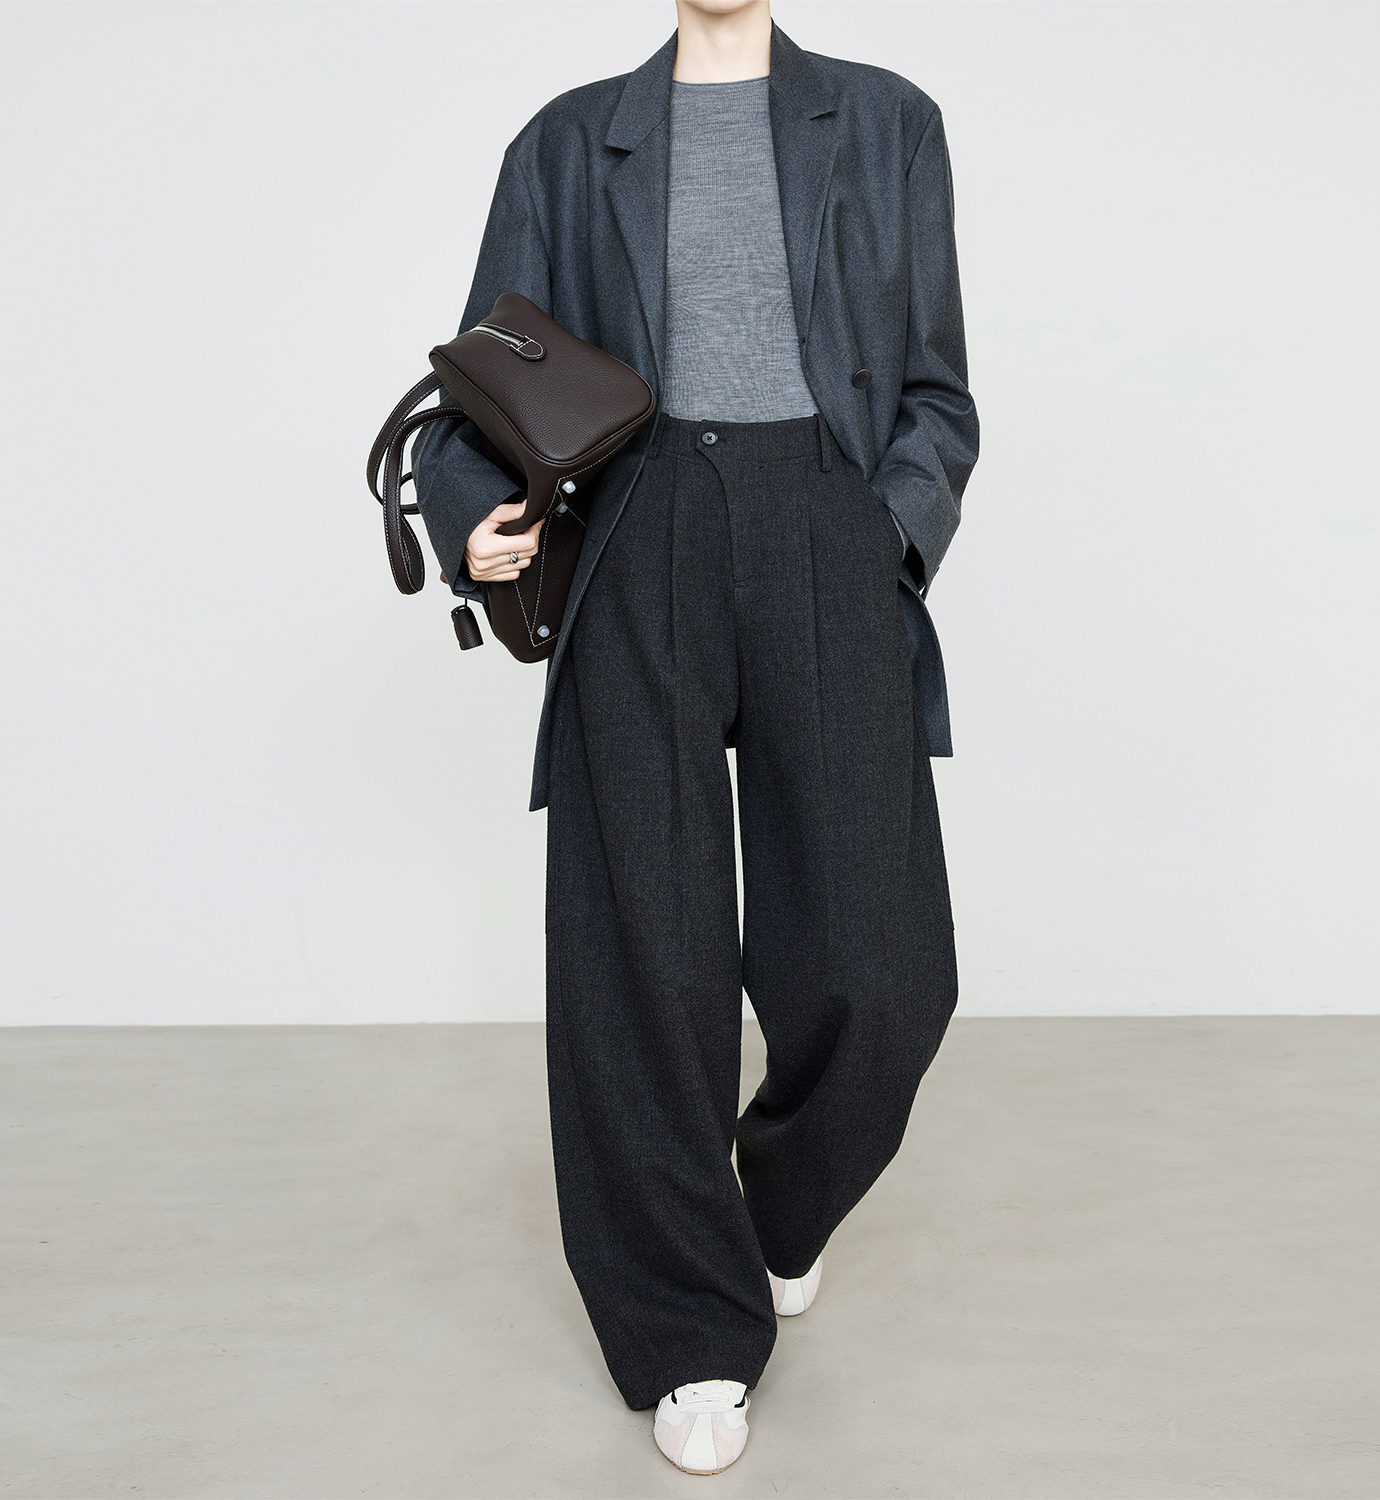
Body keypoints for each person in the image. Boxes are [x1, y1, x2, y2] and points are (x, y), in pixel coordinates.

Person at [413, 0, 978, 1475]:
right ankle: (687, 1330)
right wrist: (468, 519)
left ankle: (770, 1208)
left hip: (823, 526)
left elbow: (936, 389)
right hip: (637, 530)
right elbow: (482, 385)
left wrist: (882, 538)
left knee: (882, 969)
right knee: (641, 957)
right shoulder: (566, 143)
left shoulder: (889, 122)